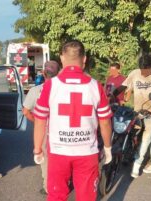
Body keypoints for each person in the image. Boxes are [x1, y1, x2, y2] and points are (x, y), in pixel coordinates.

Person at [33, 40, 113, 201]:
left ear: (62, 58)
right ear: (84, 59)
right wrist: (108, 147)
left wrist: (37, 149)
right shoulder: (95, 86)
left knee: (56, 196)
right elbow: (105, 122)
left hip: (58, 152)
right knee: (87, 197)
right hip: (87, 153)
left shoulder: (50, 86)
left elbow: (40, 120)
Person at [114, 54, 151, 178]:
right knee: (148, 137)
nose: (143, 73)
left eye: (146, 71)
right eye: (142, 70)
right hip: (138, 111)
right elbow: (123, 86)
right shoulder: (134, 73)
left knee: (147, 137)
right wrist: (112, 94)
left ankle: (137, 163)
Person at [22, 60, 60, 194]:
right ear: (58, 73)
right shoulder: (65, 89)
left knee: (46, 161)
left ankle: (48, 188)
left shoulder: (35, 91)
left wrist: (38, 122)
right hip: (63, 130)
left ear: (43, 73)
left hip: (44, 132)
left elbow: (26, 112)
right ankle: (64, 182)